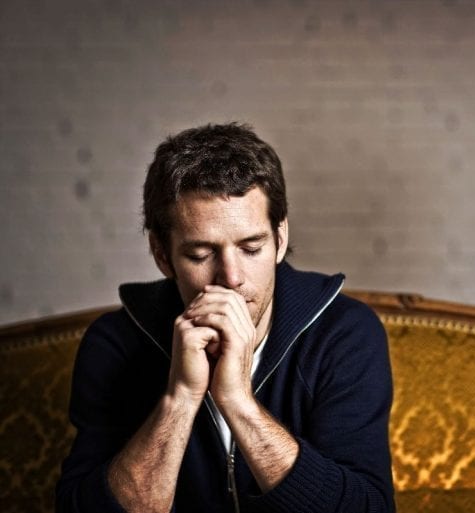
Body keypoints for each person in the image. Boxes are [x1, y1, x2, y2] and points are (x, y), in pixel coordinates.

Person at [56, 123, 395, 513]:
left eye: (251, 248)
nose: (231, 278)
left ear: (280, 238)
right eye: (200, 255)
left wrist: (238, 402)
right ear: (162, 255)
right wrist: (181, 397)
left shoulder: (345, 333)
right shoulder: (115, 344)